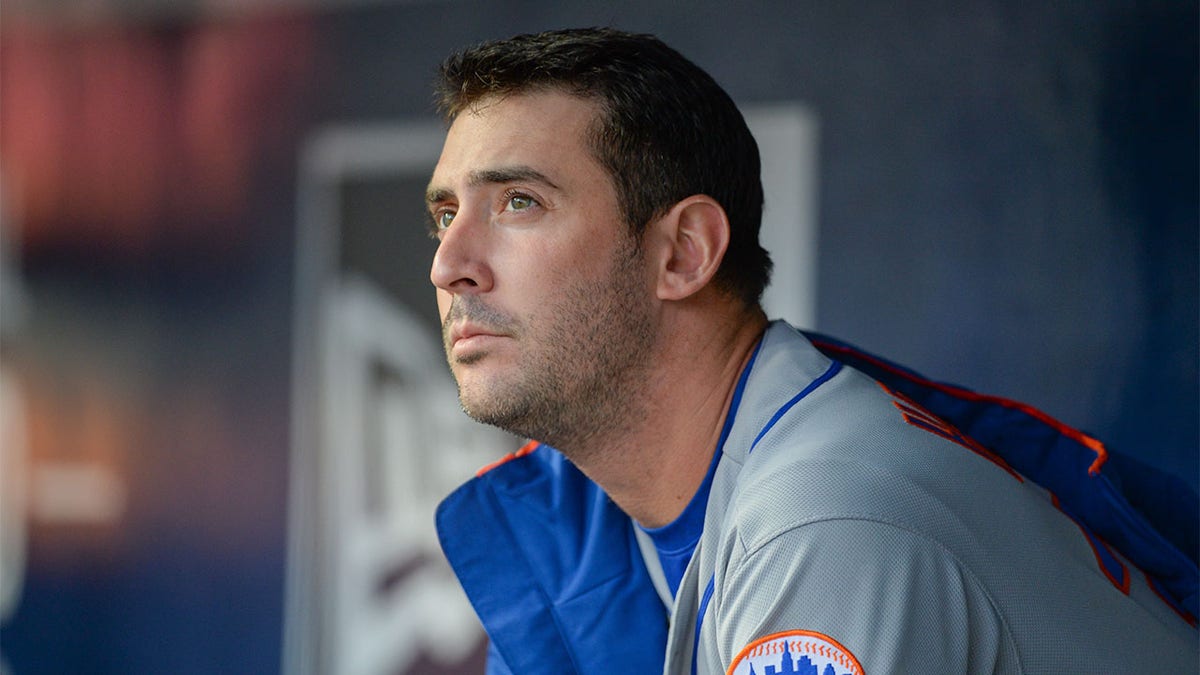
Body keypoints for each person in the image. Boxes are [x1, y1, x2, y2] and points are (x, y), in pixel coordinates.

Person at [425, 27, 1197, 674]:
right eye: (446, 214)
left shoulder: (822, 522)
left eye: (518, 202)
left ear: (684, 253)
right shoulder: (599, 524)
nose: (448, 264)